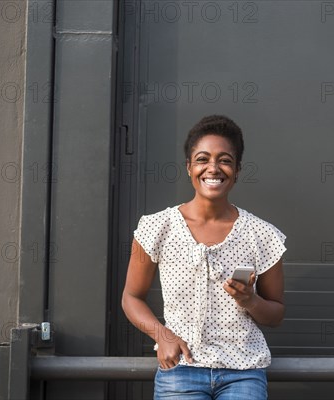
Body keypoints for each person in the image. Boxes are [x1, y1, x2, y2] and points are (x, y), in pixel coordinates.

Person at [122, 115, 286, 399]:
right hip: (181, 370)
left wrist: (250, 300)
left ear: (237, 170)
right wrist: (162, 336)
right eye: (202, 159)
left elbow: (276, 313)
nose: (213, 168)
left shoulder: (262, 235)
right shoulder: (155, 227)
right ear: (189, 167)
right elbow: (131, 298)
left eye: (224, 160)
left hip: (243, 372)